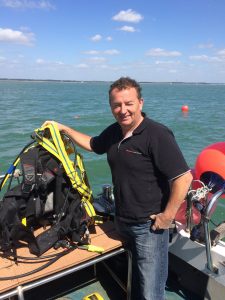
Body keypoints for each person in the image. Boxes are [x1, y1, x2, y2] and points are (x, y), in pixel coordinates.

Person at [42, 77, 193, 300]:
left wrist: (167, 216)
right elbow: (93, 145)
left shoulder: (157, 134)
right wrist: (63, 128)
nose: (123, 110)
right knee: (133, 278)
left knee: (151, 292)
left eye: (128, 103)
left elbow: (183, 178)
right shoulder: (114, 132)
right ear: (111, 106)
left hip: (149, 228)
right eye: (117, 105)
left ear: (140, 103)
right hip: (121, 219)